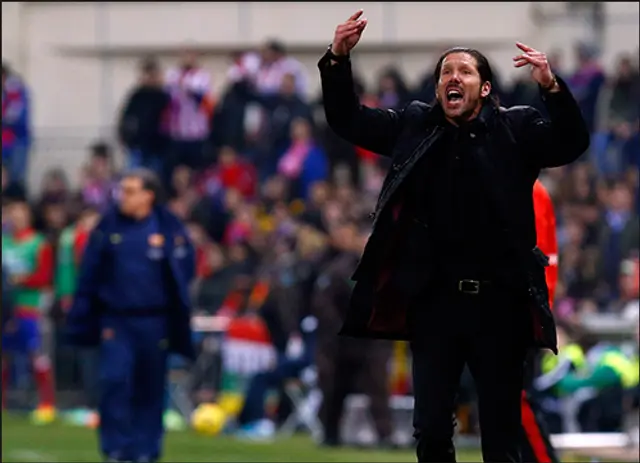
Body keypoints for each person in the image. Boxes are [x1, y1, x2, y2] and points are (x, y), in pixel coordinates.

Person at [319, 10, 590, 462]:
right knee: (429, 429)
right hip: (435, 305)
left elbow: (572, 142)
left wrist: (551, 87)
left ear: (484, 89)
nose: (453, 76)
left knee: (500, 436)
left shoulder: (516, 128)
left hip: (500, 306)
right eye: (447, 71)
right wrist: (337, 60)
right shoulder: (416, 125)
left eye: (464, 70)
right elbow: (349, 120)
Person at [65, 169, 196, 463]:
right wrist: (83, 314)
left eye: (130, 190)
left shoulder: (167, 228)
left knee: (150, 387)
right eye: (122, 190)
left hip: (155, 321)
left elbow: (185, 268)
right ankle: (116, 449)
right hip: (117, 320)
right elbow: (90, 272)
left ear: (148, 195)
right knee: (114, 381)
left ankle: (145, 450)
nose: (122, 196)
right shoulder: (109, 227)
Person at [312, 221, 393, 448]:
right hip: (341, 341)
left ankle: (385, 435)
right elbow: (323, 305)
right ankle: (330, 433)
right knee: (335, 388)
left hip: (372, 340)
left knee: (377, 387)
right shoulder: (339, 270)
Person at [1, 200, 55, 418]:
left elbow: (45, 276)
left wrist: (21, 280)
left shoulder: (38, 243)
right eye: (12, 215)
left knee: (37, 355)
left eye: (20, 214)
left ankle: (47, 404)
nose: (16, 219)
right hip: (5, 308)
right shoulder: (4, 242)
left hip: (29, 306)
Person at [520, 180, 560, 463]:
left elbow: (539, 259)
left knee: (517, 401)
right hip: (521, 311)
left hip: (520, 314)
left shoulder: (529, 190)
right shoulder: (534, 189)